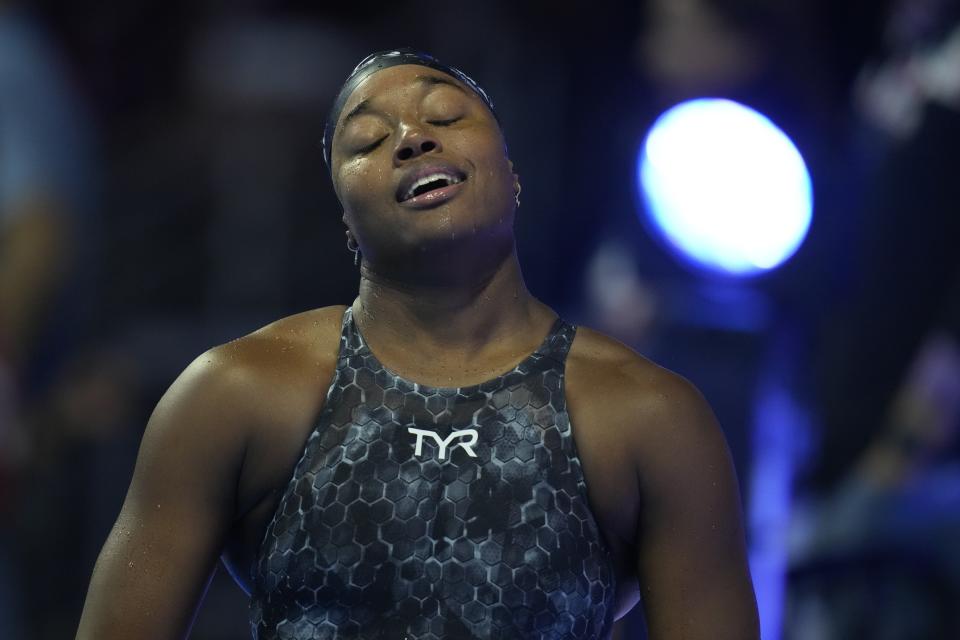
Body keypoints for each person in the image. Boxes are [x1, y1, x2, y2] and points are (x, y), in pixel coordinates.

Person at [76, 49, 758, 639]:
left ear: (513, 174)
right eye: (369, 141)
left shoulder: (647, 415)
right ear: (345, 221)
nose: (412, 139)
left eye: (446, 117)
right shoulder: (236, 393)